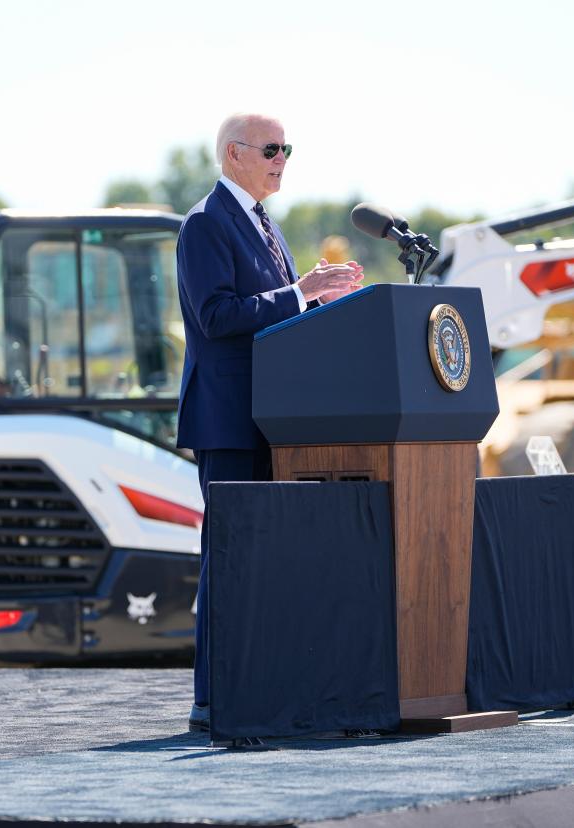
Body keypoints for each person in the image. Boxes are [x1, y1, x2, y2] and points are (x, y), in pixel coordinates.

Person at [176, 113, 364, 734]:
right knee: (228, 558)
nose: (283, 159)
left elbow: (281, 318)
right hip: (229, 422)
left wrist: (322, 303)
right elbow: (217, 315)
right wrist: (300, 292)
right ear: (234, 155)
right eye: (272, 149)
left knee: (271, 561)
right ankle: (212, 699)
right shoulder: (206, 223)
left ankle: (265, 687)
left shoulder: (264, 223)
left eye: (288, 149)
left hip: (276, 420)